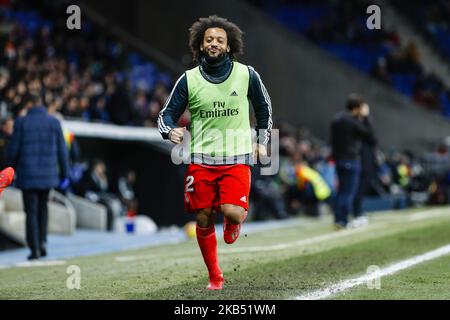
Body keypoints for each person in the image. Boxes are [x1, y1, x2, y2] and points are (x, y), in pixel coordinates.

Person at [158, 15, 272, 290]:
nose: (214, 43)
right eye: (208, 39)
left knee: (231, 212)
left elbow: (264, 108)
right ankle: (215, 276)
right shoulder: (189, 79)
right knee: (203, 216)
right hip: (201, 160)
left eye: (220, 40)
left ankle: (234, 223)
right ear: (200, 44)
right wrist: (169, 131)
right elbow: (166, 115)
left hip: (238, 156)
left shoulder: (247, 74)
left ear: (229, 46)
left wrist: (262, 141)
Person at [7, 94, 69, 260]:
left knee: (31, 212)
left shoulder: (21, 122)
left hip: (27, 175)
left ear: (29, 104)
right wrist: (65, 173)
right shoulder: (54, 122)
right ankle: (42, 242)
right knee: (43, 209)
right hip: (48, 176)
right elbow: (62, 150)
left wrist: (8, 169)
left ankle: (34, 248)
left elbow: (13, 150)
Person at [330, 94, 375, 230]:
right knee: (348, 192)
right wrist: (366, 117)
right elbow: (369, 135)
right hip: (351, 159)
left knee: (341, 191)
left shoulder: (336, 119)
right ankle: (343, 220)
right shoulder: (352, 121)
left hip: (338, 159)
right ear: (357, 108)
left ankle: (338, 219)